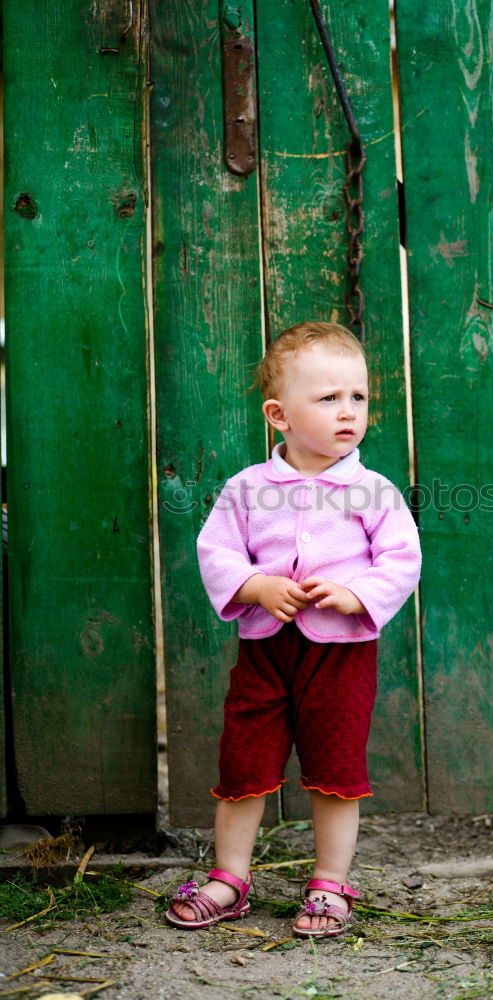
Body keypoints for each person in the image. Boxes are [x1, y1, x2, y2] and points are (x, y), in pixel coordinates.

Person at [166, 321, 421, 937]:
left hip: (341, 656)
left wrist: (352, 593)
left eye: (357, 397)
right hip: (264, 653)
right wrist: (255, 586)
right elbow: (217, 551)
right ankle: (230, 878)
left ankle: (330, 884)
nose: (348, 412)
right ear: (279, 415)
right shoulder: (249, 488)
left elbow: (402, 559)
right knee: (243, 764)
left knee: (336, 769)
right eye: (328, 398)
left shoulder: (372, 491)